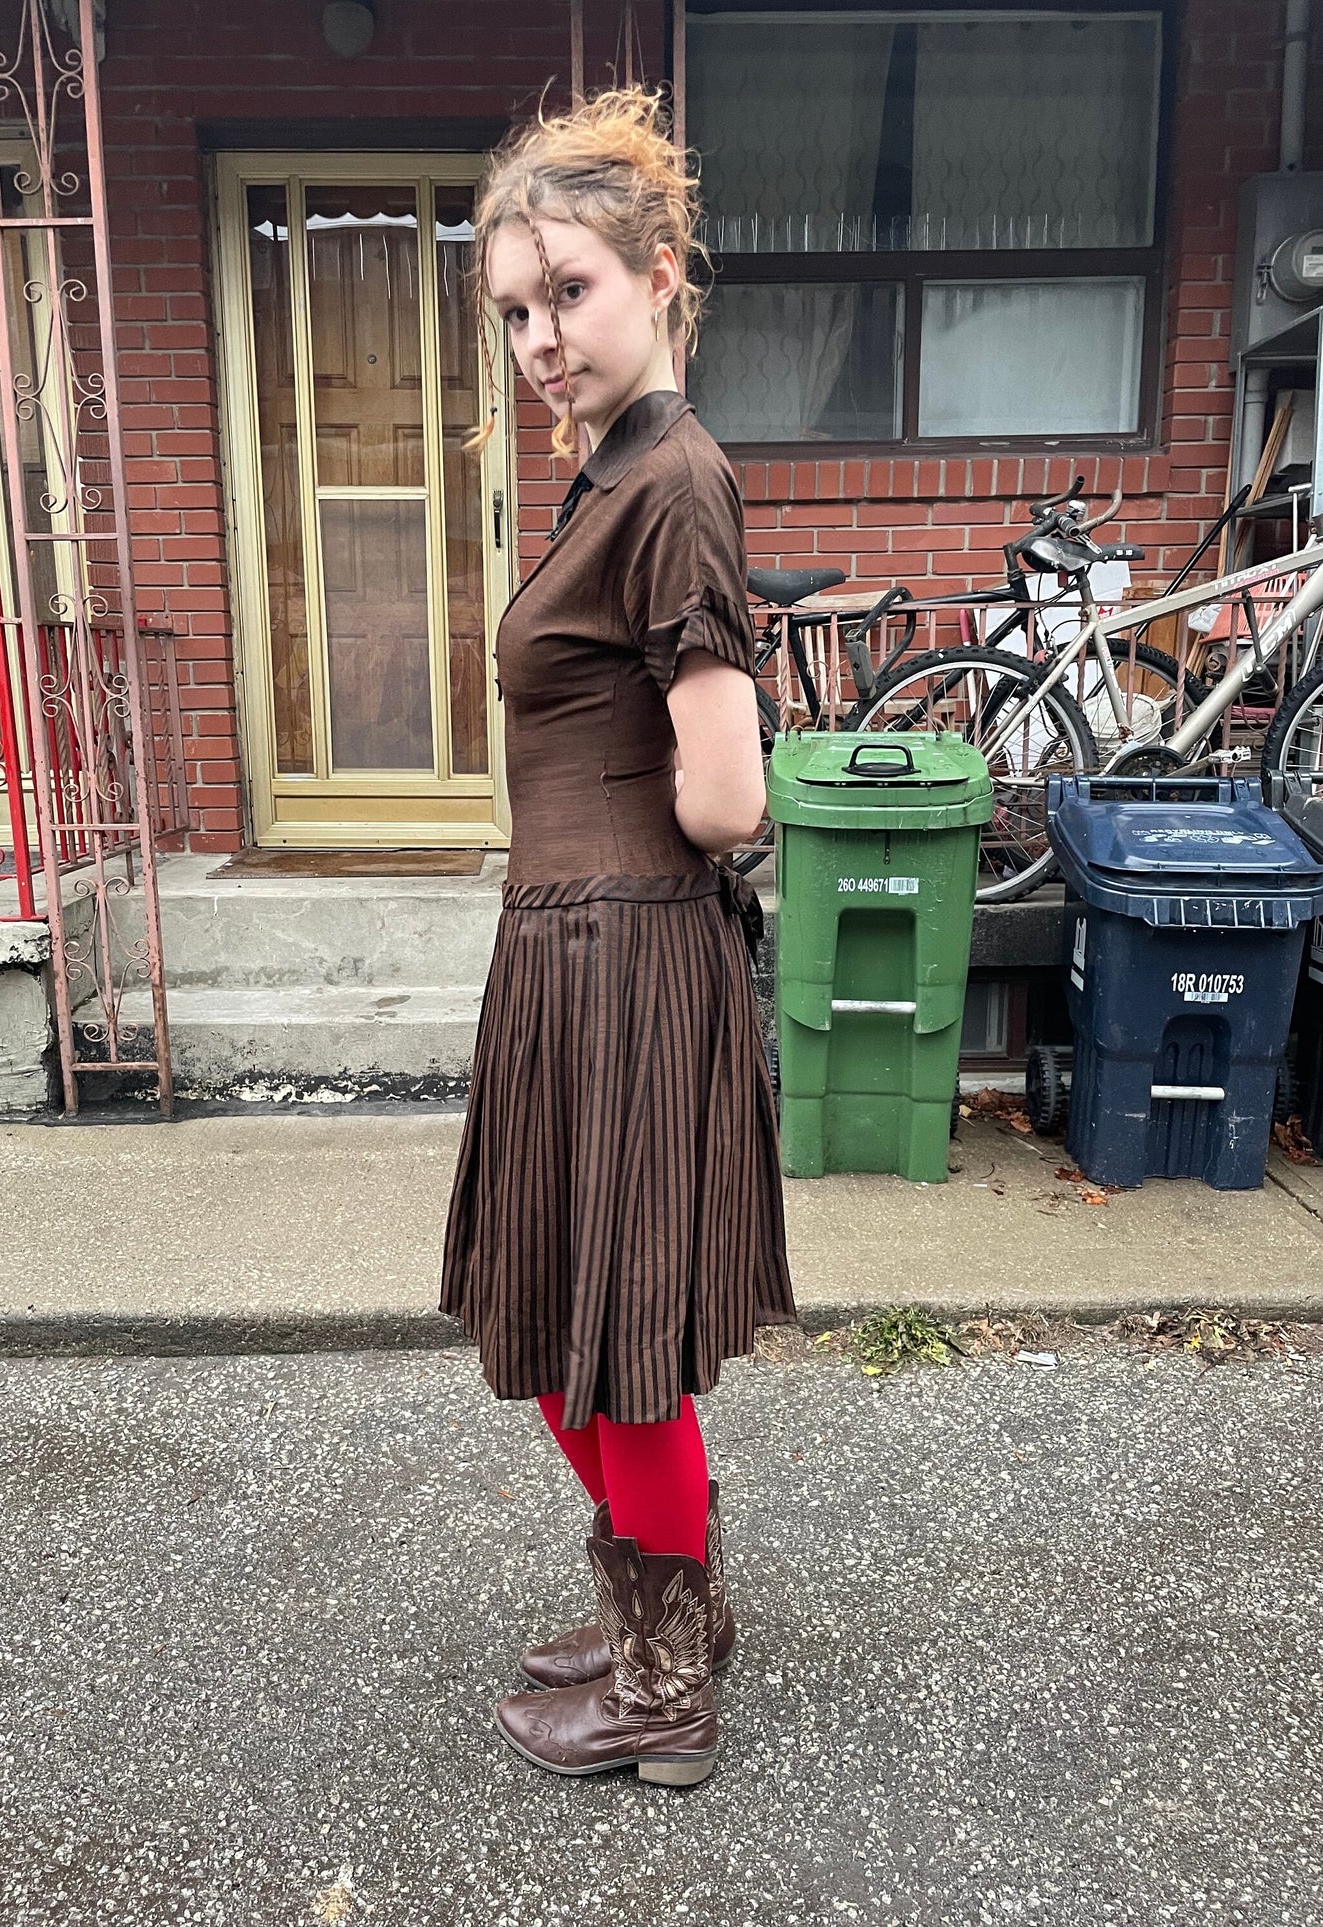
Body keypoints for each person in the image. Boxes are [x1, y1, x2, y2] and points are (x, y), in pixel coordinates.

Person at [439, 85, 796, 1787]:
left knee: (616, 1339)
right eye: (514, 307)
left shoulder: (671, 482)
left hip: (622, 959)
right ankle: (669, 1604)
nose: (537, 335)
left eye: (566, 290)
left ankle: (663, 1685)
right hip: (575, 954)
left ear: (658, 274)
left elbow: (725, 796)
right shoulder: (617, 475)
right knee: (579, 1324)